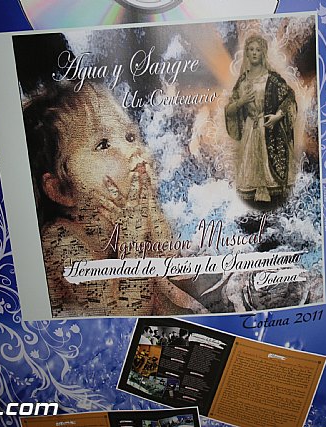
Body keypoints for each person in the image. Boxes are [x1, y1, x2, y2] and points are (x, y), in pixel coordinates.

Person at [23, 82, 207, 317]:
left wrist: (152, 215)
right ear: (62, 189)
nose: (133, 150)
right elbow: (125, 316)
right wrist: (133, 236)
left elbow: (178, 273)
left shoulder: (131, 214)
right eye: (103, 144)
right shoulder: (59, 242)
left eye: (130, 137)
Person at [225, 34, 297, 205]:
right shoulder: (242, 81)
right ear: (246, 53)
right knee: (247, 180)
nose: (254, 53)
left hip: (270, 130)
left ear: (263, 52)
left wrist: (277, 116)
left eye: (258, 50)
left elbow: (289, 98)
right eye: (251, 49)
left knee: (273, 182)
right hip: (250, 130)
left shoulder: (272, 79)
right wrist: (242, 101)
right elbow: (229, 110)